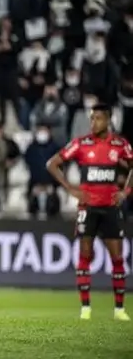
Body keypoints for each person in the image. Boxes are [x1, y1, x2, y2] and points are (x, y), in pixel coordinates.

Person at [46, 104, 133, 321]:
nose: (93, 123)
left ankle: (119, 310)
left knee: (118, 258)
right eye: (91, 119)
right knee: (85, 255)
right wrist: (71, 189)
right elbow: (52, 164)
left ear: (108, 121)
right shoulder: (81, 144)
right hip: (88, 208)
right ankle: (85, 308)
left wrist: (126, 192)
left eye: (98, 119)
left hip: (111, 208)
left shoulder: (119, 144)